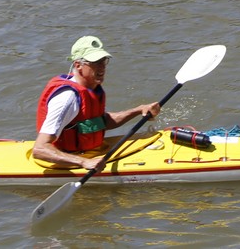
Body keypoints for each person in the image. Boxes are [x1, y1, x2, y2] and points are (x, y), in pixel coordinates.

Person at [33, 36, 162, 170]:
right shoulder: (67, 98)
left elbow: (100, 122)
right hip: (68, 160)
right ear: (78, 65)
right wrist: (83, 162)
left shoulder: (91, 89)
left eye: (103, 61)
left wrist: (138, 110)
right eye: (95, 62)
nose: (101, 67)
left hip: (91, 152)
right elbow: (40, 149)